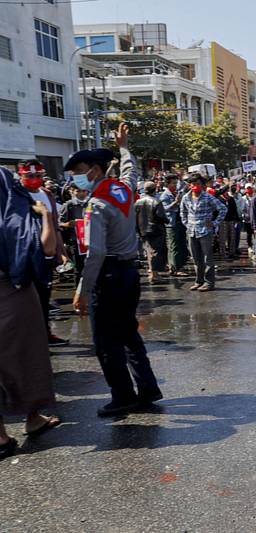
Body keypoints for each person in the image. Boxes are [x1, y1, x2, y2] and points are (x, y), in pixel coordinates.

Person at [66, 123, 162, 417]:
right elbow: (130, 171)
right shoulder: (121, 189)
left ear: (94, 170)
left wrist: (82, 290)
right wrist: (124, 147)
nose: (75, 177)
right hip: (129, 274)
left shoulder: (95, 204)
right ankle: (147, 388)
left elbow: (94, 253)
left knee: (106, 342)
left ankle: (123, 396)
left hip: (107, 278)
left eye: (79, 170)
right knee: (129, 334)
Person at [0, 166, 62, 460]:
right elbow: (46, 249)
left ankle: (1, 437)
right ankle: (33, 418)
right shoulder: (18, 209)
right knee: (28, 357)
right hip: (14, 290)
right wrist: (46, 216)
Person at [17, 161, 68, 348]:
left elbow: (55, 225)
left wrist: (61, 250)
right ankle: (28, 338)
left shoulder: (46, 194)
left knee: (44, 294)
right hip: (25, 254)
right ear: (21, 176)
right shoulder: (15, 195)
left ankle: (45, 333)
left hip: (47, 252)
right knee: (26, 297)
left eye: (38, 175)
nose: (34, 179)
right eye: (29, 176)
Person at [180, 173, 227, 292]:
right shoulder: (186, 197)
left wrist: (215, 223)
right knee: (196, 258)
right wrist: (186, 223)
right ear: (190, 185)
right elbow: (183, 212)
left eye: (198, 184)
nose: (196, 186)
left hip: (205, 231)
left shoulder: (208, 197)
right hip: (191, 231)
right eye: (193, 184)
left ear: (202, 185)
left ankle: (209, 282)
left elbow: (222, 209)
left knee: (207, 258)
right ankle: (198, 281)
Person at [135, 180, 169, 283]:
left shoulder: (138, 202)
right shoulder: (156, 201)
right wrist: (167, 220)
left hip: (143, 230)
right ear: (154, 190)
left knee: (149, 252)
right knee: (155, 252)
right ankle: (154, 275)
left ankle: (153, 273)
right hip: (156, 230)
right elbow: (160, 216)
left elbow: (134, 216)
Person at [59, 183, 90, 287]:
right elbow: (59, 224)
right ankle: (79, 292)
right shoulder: (68, 205)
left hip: (91, 240)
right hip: (76, 242)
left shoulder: (91, 203)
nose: (81, 194)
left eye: (84, 191)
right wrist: (68, 224)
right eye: (78, 191)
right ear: (72, 191)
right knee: (79, 268)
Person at [160, 174, 189, 277]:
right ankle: (174, 268)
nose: (175, 185)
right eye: (173, 183)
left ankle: (179, 266)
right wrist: (175, 202)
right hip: (171, 224)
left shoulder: (176, 193)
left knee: (181, 245)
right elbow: (164, 209)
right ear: (167, 184)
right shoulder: (165, 195)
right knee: (174, 246)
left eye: (176, 183)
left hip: (179, 222)